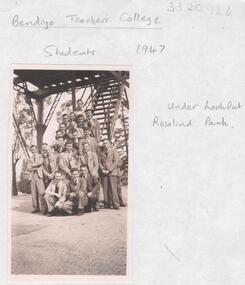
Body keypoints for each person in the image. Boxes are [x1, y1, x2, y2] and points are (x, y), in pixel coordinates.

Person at [99, 139, 120, 209]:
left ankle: (116, 204)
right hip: (104, 172)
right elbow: (99, 162)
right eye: (104, 143)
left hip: (112, 172)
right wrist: (102, 169)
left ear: (110, 144)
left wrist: (109, 170)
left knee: (113, 189)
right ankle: (107, 203)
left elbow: (116, 161)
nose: (105, 144)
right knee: (105, 188)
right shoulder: (102, 152)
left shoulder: (114, 151)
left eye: (106, 143)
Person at [27, 145, 46, 214]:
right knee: (33, 193)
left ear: (37, 149)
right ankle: (36, 208)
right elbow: (28, 168)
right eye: (32, 150)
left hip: (39, 176)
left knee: (41, 192)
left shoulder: (40, 156)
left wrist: (32, 165)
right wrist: (35, 167)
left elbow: (40, 163)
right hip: (32, 176)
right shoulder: (30, 158)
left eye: (34, 149)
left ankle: (43, 208)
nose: (33, 151)